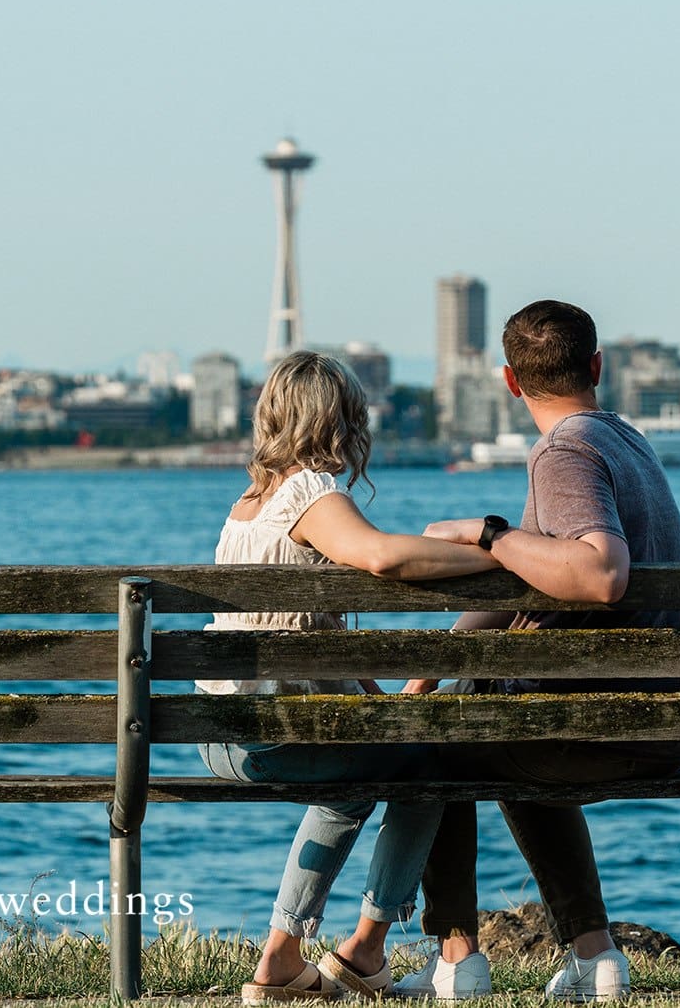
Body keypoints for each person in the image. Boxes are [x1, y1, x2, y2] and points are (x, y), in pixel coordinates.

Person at [396, 300, 680, 1003]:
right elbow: (520, 586)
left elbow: (599, 572)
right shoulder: (626, 440)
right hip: (674, 719)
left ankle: (457, 961)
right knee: (496, 725)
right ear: (598, 366)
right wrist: (427, 677)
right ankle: (596, 958)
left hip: (612, 724)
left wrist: (488, 533)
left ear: (509, 380)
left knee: (441, 746)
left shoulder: (564, 452)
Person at [196, 351, 499, 1004]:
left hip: (219, 732)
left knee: (374, 769)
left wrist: (376, 701)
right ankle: (358, 948)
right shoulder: (308, 490)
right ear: (341, 420)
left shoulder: (249, 504)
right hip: (274, 730)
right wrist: (484, 548)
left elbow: (311, 622)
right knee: (428, 763)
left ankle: (293, 959)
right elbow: (382, 554)